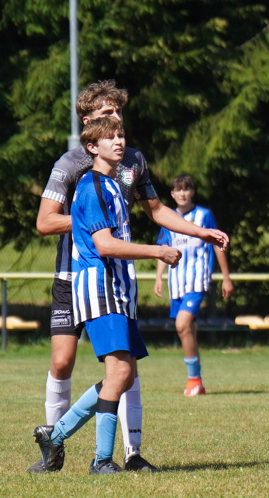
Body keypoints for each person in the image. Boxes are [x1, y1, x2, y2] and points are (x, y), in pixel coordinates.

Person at [31, 80, 229, 473]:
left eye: (119, 115)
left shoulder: (132, 163)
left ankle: (129, 453)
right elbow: (45, 222)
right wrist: (98, 223)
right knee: (64, 361)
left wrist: (197, 231)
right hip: (78, 277)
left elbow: (156, 210)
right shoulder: (72, 167)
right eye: (107, 116)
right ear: (89, 125)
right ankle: (55, 442)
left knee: (126, 364)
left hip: (117, 277)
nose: (116, 122)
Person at [33, 118, 182, 474]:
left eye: (121, 135)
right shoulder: (92, 186)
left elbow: (153, 212)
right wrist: (157, 252)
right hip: (100, 289)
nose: (119, 141)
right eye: (109, 137)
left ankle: (56, 434)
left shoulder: (115, 186)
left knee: (125, 374)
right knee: (118, 374)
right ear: (91, 147)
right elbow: (104, 244)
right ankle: (101, 460)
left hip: (118, 289)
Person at [153, 174, 234, 396]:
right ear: (172, 194)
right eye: (177, 190)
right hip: (177, 283)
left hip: (197, 281)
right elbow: (164, 249)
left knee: (182, 324)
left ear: (192, 192)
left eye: (186, 189)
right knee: (188, 330)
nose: (182, 193)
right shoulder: (168, 218)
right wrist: (159, 277)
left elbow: (217, 245)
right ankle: (197, 381)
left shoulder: (204, 215)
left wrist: (226, 277)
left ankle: (193, 380)